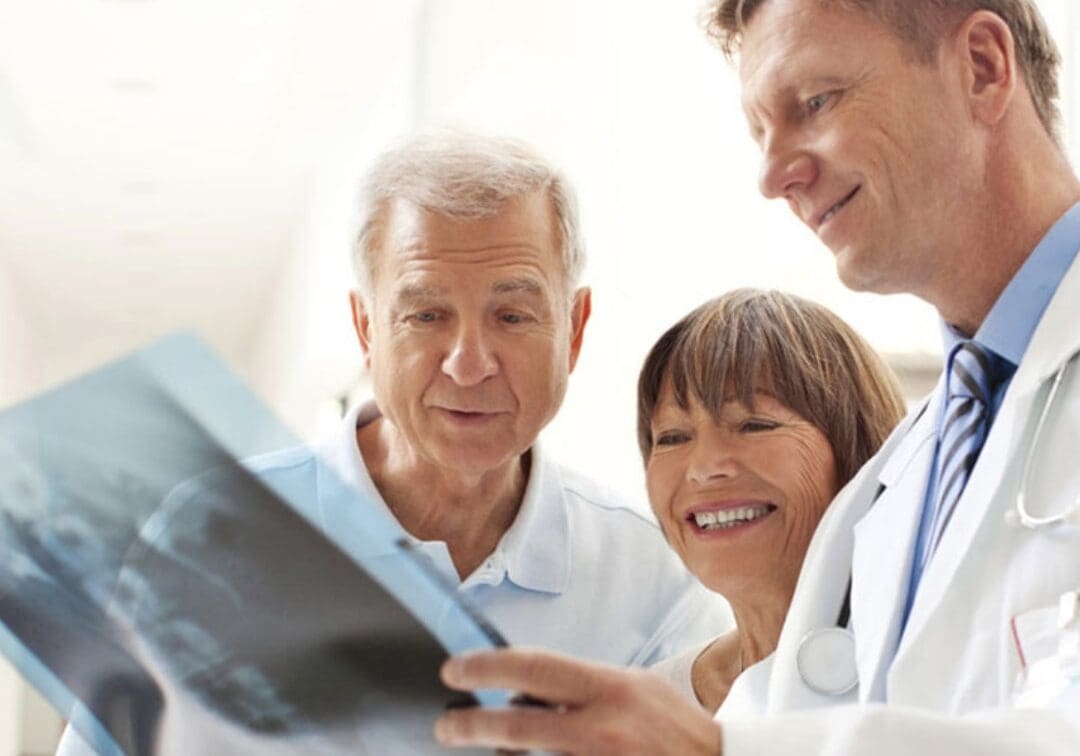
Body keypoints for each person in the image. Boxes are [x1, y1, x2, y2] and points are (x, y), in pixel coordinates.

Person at [433, 2, 1080, 754]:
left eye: (816, 102)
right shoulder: (896, 488)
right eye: (759, 133)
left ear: (981, 68)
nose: (774, 175)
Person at [55, 132, 728, 754]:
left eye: (512, 314)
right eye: (426, 314)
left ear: (574, 329)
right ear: (367, 327)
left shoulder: (651, 578)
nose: (469, 362)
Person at [640, 289, 904, 712]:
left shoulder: (928, 675)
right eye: (672, 437)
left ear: (857, 451)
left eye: (755, 425)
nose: (704, 467)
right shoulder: (650, 713)